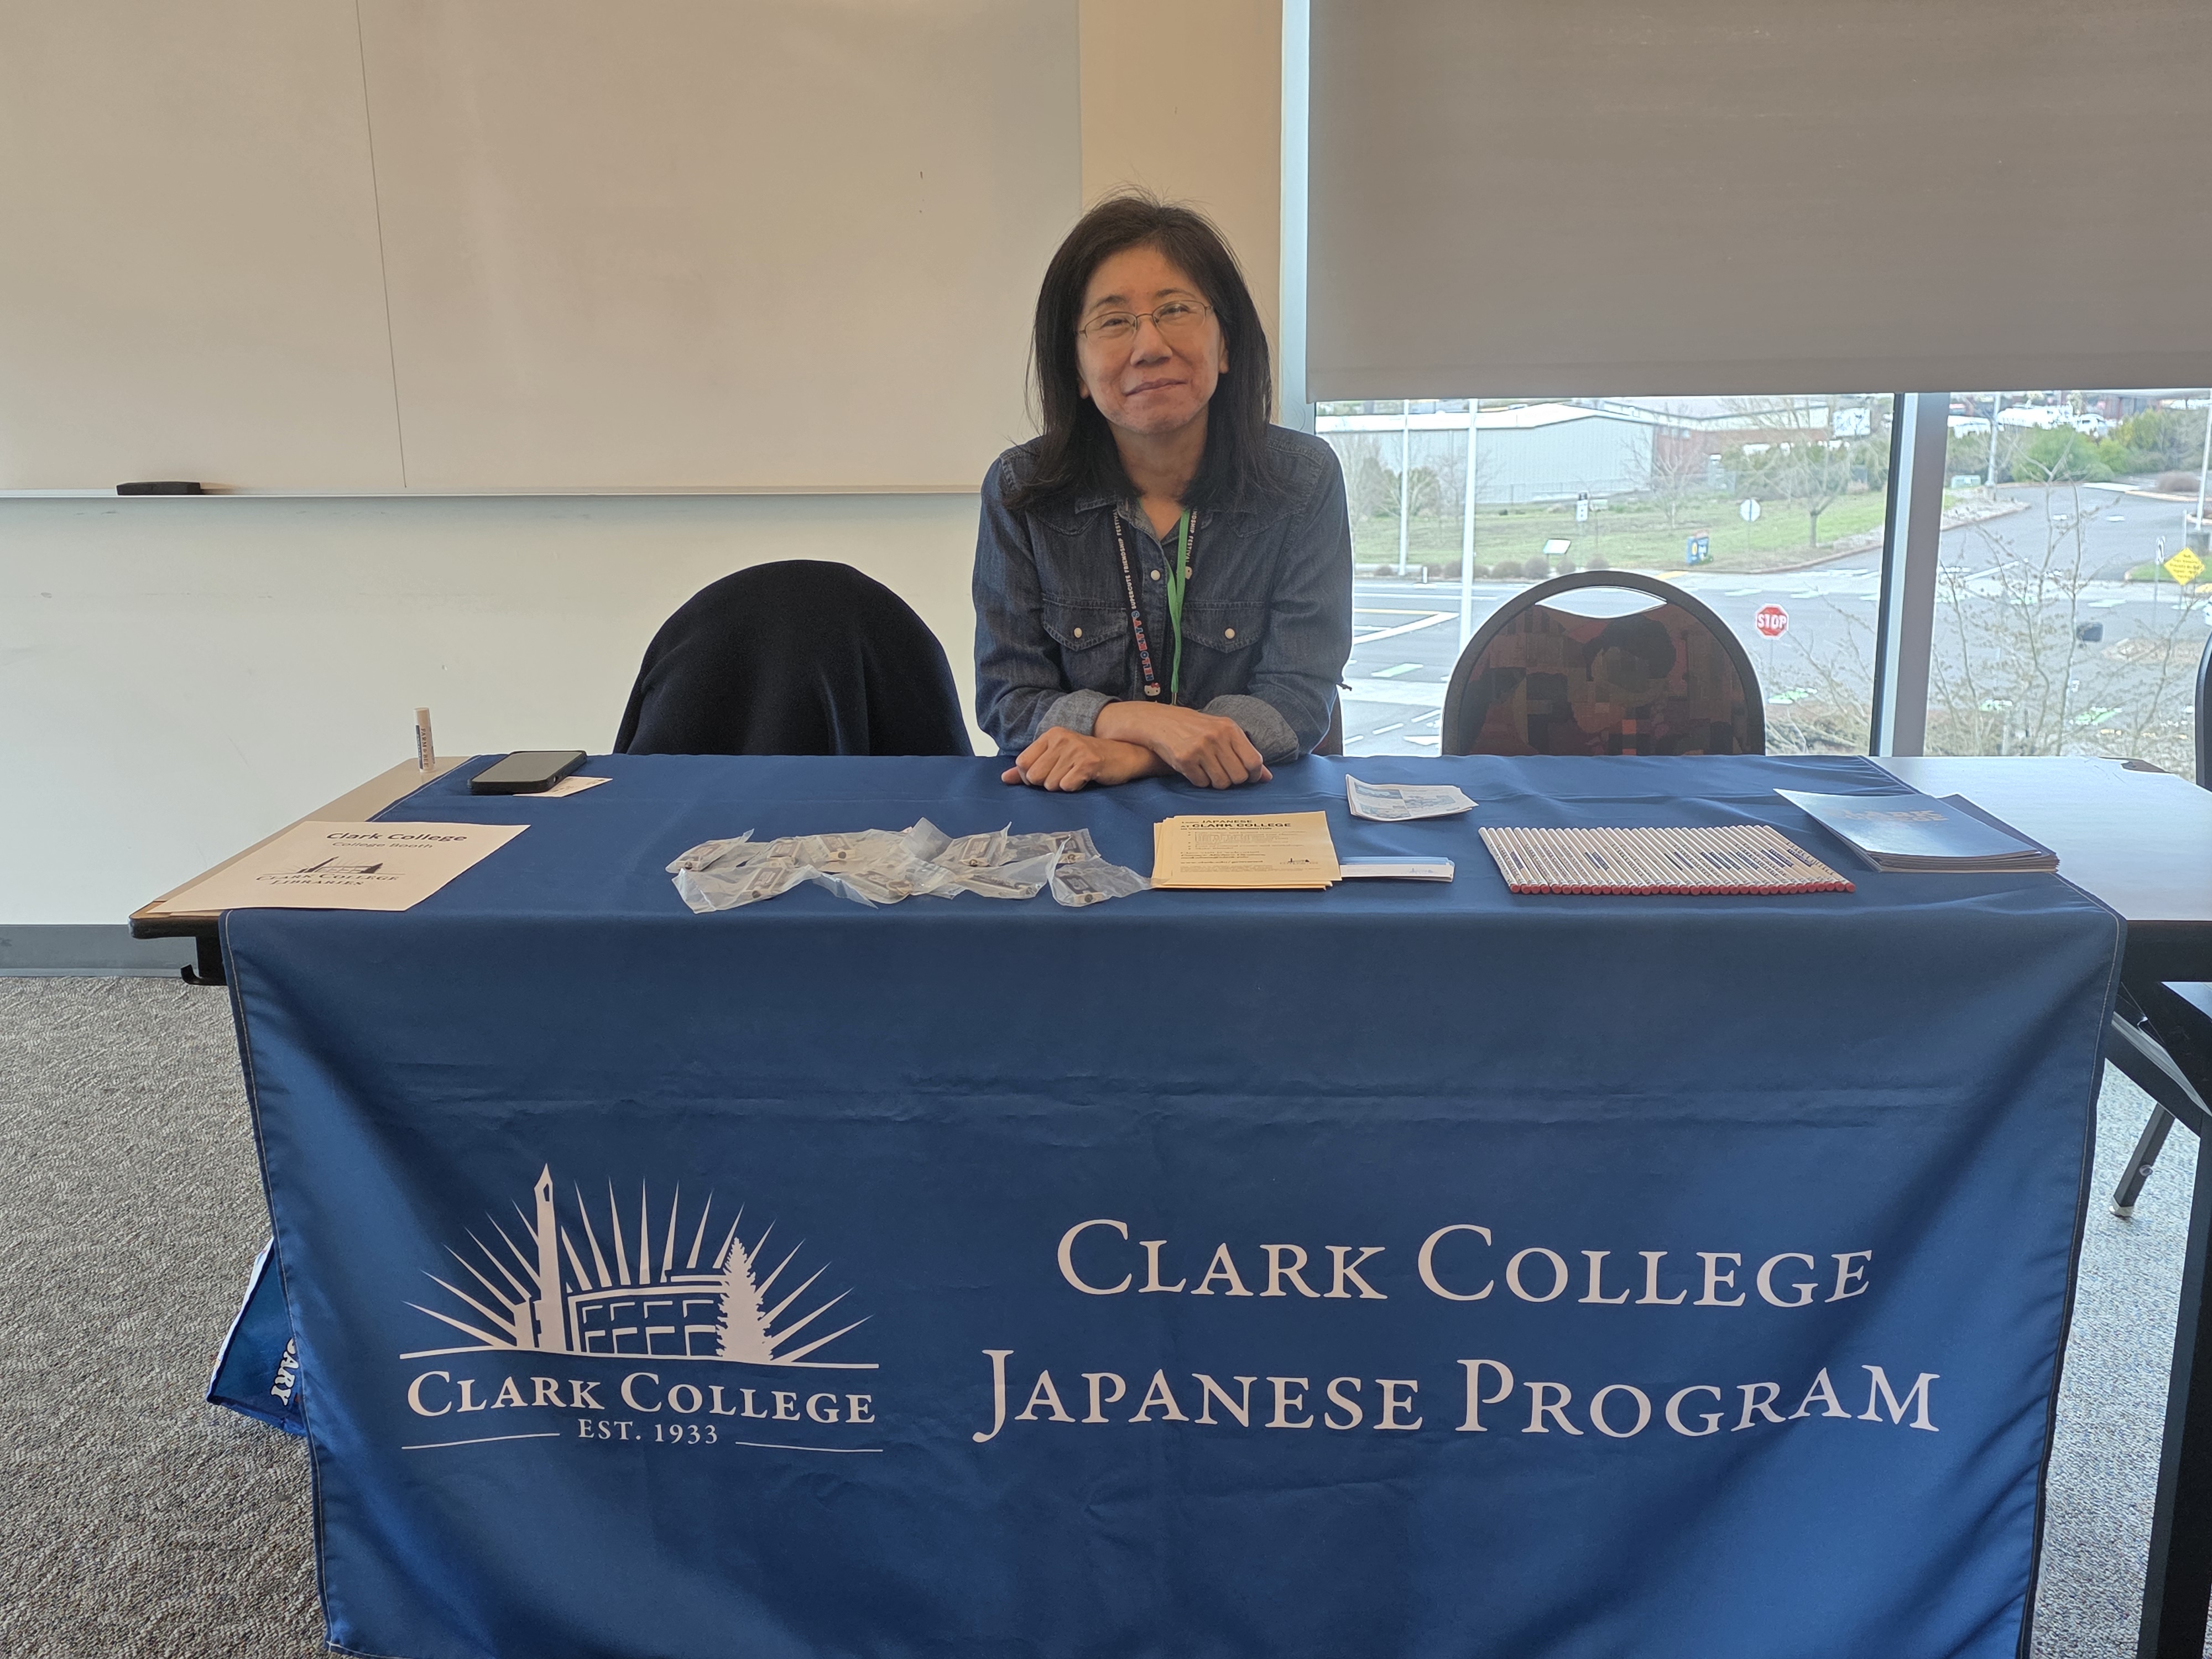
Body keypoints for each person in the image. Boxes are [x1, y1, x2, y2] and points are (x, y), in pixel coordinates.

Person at [973, 194, 1353, 791]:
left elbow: (1299, 695)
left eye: (1175, 310)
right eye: (1113, 321)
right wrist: (1138, 721)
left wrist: (1133, 756)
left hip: (1243, 810)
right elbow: (1008, 699)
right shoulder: (1021, 491)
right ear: (1074, 366)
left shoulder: (1301, 481)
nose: (1149, 347)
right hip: (1074, 812)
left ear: (1225, 344)